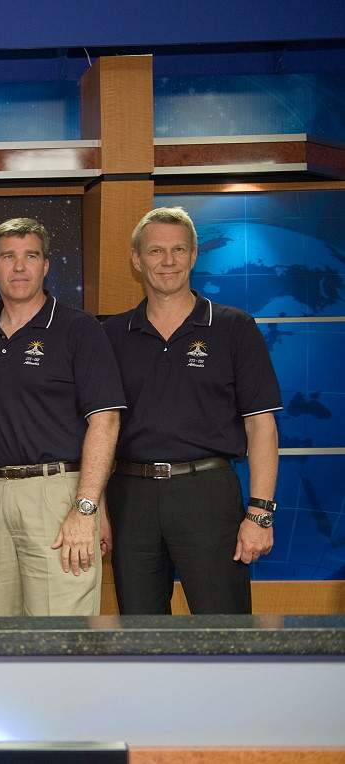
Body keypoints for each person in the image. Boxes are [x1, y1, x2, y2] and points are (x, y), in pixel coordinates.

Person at [104, 207, 281, 614]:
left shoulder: (234, 327)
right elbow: (101, 427)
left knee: (224, 627)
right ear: (136, 259)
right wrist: (96, 508)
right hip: (130, 497)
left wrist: (260, 513)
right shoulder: (111, 335)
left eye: (179, 249)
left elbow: (261, 427)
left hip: (208, 494)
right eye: (156, 250)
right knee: (141, 631)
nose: (168, 261)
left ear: (194, 255)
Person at [0, 217, 125, 616]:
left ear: (45, 266)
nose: (19, 267)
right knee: (1, 628)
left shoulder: (79, 329)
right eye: (8, 256)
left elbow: (106, 421)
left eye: (30, 256)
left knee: (60, 632)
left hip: (58, 495)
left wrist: (86, 507)